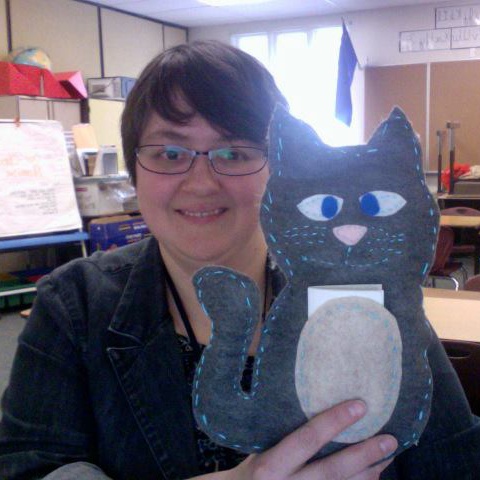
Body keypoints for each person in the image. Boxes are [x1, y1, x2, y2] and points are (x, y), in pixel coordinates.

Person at [0, 40, 478, 480]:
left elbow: (456, 459)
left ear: (278, 168)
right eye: (169, 153)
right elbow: (30, 466)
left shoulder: (366, 285)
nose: (201, 182)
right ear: (134, 170)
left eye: (234, 152)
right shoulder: (74, 306)